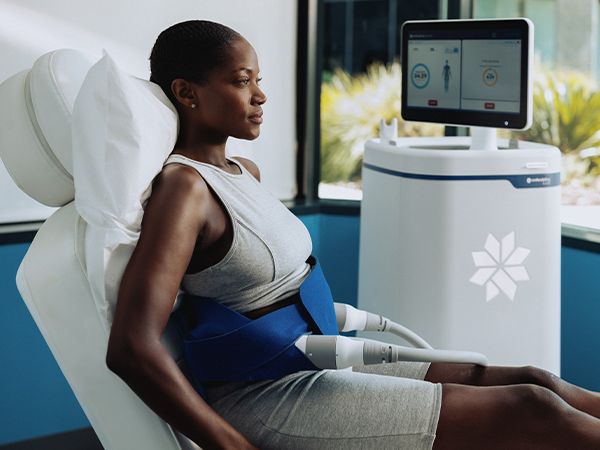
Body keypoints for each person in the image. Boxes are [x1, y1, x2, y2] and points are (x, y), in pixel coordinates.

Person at [105, 20, 600, 450]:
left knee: (536, 380)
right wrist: (232, 446)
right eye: (241, 81)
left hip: (316, 358)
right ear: (188, 92)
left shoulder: (244, 173)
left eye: (259, 80)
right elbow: (132, 346)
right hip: (270, 396)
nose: (260, 95)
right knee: (532, 408)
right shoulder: (184, 189)